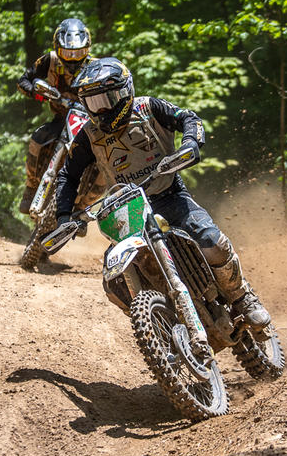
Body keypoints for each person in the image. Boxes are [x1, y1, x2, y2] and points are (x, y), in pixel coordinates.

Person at [54, 56, 271, 329]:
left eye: (106, 100)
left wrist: (190, 142)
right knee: (114, 283)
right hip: (126, 210)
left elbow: (187, 118)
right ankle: (161, 327)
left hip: (168, 195)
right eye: (93, 103)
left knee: (210, 240)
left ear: (124, 92)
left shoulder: (148, 108)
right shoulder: (88, 134)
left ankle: (243, 298)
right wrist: (64, 215)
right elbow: (68, 174)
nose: (101, 110)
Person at [15, 17, 93, 214]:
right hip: (61, 119)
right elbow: (23, 80)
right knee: (36, 139)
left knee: (101, 165)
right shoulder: (49, 60)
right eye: (68, 53)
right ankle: (31, 187)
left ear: (87, 49)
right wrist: (37, 93)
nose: (73, 58)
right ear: (58, 48)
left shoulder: (97, 67)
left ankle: (82, 208)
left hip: (89, 126)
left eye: (79, 53)